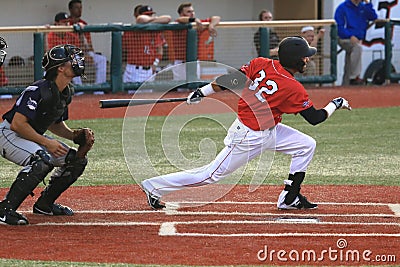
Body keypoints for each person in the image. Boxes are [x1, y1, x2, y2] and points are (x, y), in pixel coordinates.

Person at [141, 36, 352, 210]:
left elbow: (229, 81)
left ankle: (290, 197)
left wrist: (201, 91)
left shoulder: (260, 63)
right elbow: (315, 118)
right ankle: (155, 187)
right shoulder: (293, 88)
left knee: (306, 145)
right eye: (305, 57)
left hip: (270, 129)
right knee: (210, 175)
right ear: (296, 60)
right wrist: (336, 103)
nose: (307, 60)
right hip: (249, 136)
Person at [0, 44, 95, 225]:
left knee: (77, 160)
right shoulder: (37, 90)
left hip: (29, 136)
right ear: (60, 68)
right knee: (42, 160)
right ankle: (5, 209)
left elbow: (54, 124)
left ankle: (45, 204)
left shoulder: (65, 92)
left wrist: (75, 136)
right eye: (71, 59)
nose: (78, 61)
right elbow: (18, 124)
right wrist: (46, 142)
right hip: (8, 135)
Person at [172, 2, 221, 80]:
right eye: (188, 12)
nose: (192, 13)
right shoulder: (178, 23)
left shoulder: (197, 24)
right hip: (181, 63)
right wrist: (194, 19)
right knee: (180, 90)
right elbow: (180, 19)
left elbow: (216, 18)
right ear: (181, 14)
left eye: (192, 11)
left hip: (194, 62)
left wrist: (211, 25)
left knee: (194, 87)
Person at [122, 5, 171, 83]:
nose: (149, 16)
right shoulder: (134, 28)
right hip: (134, 69)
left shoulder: (155, 31)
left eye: (151, 14)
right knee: (131, 95)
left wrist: (155, 63)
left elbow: (168, 18)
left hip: (149, 70)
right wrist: (155, 19)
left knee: (147, 95)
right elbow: (140, 19)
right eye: (147, 14)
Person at [334, 0, 377, 85]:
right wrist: (350, 36)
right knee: (357, 48)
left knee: (350, 61)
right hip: (344, 38)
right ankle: (354, 77)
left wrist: (368, 4)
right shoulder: (342, 7)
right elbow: (339, 27)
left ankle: (346, 85)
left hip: (358, 39)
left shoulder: (363, 6)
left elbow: (373, 16)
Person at [68, 0, 107, 84]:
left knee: (102, 59)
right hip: (72, 54)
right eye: (76, 8)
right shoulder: (66, 24)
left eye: (80, 7)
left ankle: (99, 88)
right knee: (75, 60)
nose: (79, 10)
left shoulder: (84, 23)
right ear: (70, 9)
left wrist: (90, 53)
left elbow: (88, 43)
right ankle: (79, 90)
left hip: (85, 52)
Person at [47, 12, 83, 85]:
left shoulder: (71, 35)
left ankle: (79, 90)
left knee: (76, 61)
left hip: (68, 62)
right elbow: (49, 53)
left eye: (68, 22)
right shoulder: (50, 35)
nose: (67, 24)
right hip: (55, 63)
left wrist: (81, 32)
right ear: (56, 24)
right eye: (64, 22)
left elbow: (79, 50)